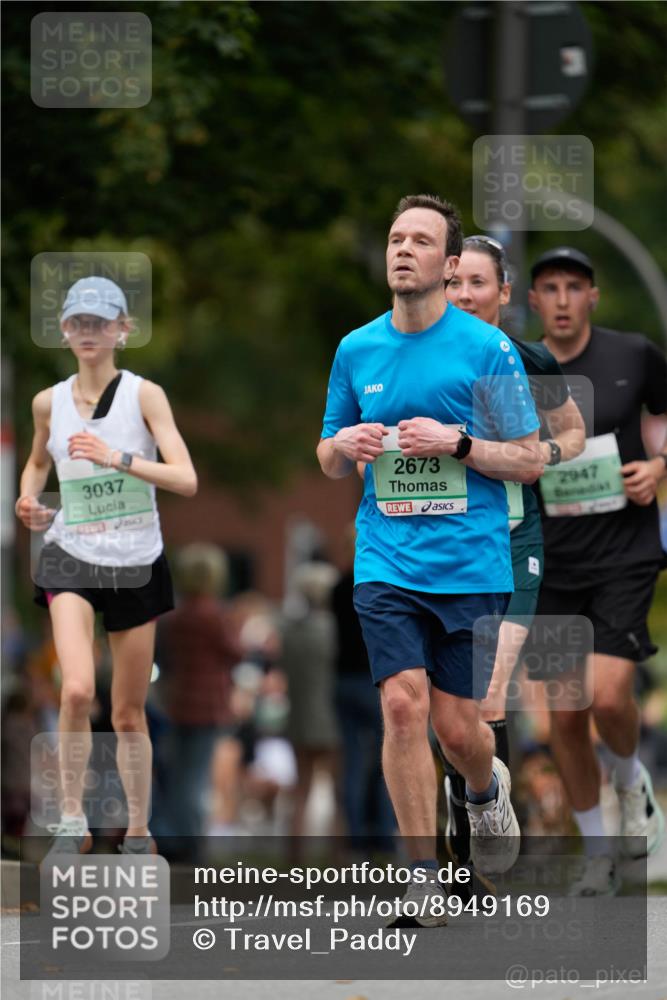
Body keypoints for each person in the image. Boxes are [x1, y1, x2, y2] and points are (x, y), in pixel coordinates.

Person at [317, 194, 543, 926]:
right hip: (384, 558)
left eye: (420, 240)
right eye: (394, 238)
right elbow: (325, 454)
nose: (402, 249)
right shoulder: (357, 349)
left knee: (459, 731)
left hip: (471, 564)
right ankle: (419, 872)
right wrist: (341, 448)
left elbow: (531, 459)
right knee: (399, 705)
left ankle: (484, 789)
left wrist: (460, 445)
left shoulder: (484, 350)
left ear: (449, 266)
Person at [15, 275, 197, 858]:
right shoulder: (49, 401)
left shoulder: (146, 396)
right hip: (70, 553)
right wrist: (27, 500)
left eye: (100, 322)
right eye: (78, 323)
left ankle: (138, 830)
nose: (88, 332)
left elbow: (186, 479)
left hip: (135, 560)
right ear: (65, 331)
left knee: (125, 711)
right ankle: (71, 822)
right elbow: (37, 462)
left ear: (124, 329)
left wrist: (118, 458)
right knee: (73, 690)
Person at [527, 246, 667, 894]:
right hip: (551, 563)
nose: (560, 299)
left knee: (608, 696)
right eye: (548, 287)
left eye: (572, 287)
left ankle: (630, 776)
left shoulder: (632, 354)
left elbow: (662, 417)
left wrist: (659, 466)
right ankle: (598, 850)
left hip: (622, 555)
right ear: (532, 301)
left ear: (592, 297)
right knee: (561, 718)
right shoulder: (516, 366)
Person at [443, 235, 585, 862]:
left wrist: (541, 456)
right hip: (438, 548)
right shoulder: (417, 361)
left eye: (478, 283)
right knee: (445, 710)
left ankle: (481, 849)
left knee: (488, 694)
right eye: (455, 283)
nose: (465, 295)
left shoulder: (532, 363)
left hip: (511, 541)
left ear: (503, 293)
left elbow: (573, 432)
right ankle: (460, 841)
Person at [158, 543, 241, 860]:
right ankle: (191, 843)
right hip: (208, 707)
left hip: (177, 703)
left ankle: (173, 835)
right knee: (196, 777)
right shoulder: (216, 616)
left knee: (178, 775)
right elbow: (236, 652)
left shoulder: (174, 618)